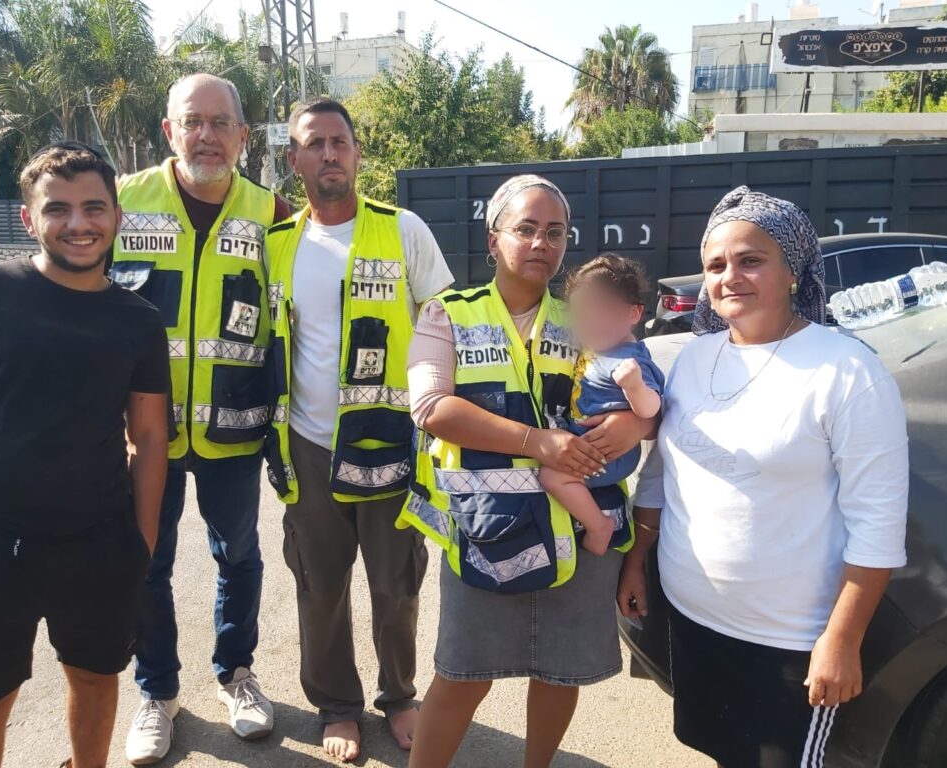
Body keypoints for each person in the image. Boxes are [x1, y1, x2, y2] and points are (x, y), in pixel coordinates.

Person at [621, 186, 909, 768]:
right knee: (722, 751)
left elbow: (877, 523)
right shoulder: (695, 358)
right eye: (716, 265)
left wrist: (842, 639)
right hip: (694, 620)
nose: (730, 277)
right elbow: (660, 474)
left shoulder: (846, 369)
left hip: (789, 642)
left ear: (793, 270)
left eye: (751, 260)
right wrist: (636, 559)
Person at [398, 175, 655, 768]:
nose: (542, 242)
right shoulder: (448, 313)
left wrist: (635, 425)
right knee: (461, 675)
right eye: (527, 229)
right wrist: (537, 442)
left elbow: (645, 393)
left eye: (556, 232)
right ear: (494, 239)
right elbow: (430, 406)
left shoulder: (586, 314)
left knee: (559, 673)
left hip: (581, 535)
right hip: (487, 533)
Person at [0, 141, 168, 768]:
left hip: (98, 538)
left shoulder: (139, 320)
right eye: (58, 209)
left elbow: (150, 437)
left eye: (94, 207)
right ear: (28, 218)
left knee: (95, 680)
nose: (78, 224)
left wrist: (142, 541)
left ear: (117, 216)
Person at [263, 96, 454, 762]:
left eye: (339, 142)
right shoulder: (276, 246)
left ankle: (398, 696)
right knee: (319, 584)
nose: (329, 154)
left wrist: (440, 420)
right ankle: (337, 706)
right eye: (313, 144)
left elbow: (444, 324)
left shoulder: (403, 231)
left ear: (357, 154)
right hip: (308, 445)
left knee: (396, 583)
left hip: (393, 442)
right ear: (294, 159)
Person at [114, 73, 291, 765]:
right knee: (146, 560)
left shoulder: (274, 213)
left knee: (238, 557)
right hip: (143, 432)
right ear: (170, 130)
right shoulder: (123, 202)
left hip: (235, 428)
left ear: (243, 136)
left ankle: (236, 674)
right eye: (193, 121)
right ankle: (156, 691)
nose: (206, 136)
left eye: (221, 123)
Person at [539, 254, 663, 555]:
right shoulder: (600, 346)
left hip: (608, 452)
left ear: (633, 313)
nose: (590, 322)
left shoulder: (628, 361)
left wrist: (634, 387)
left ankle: (598, 526)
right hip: (591, 442)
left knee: (552, 476)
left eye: (602, 311)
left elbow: (652, 407)